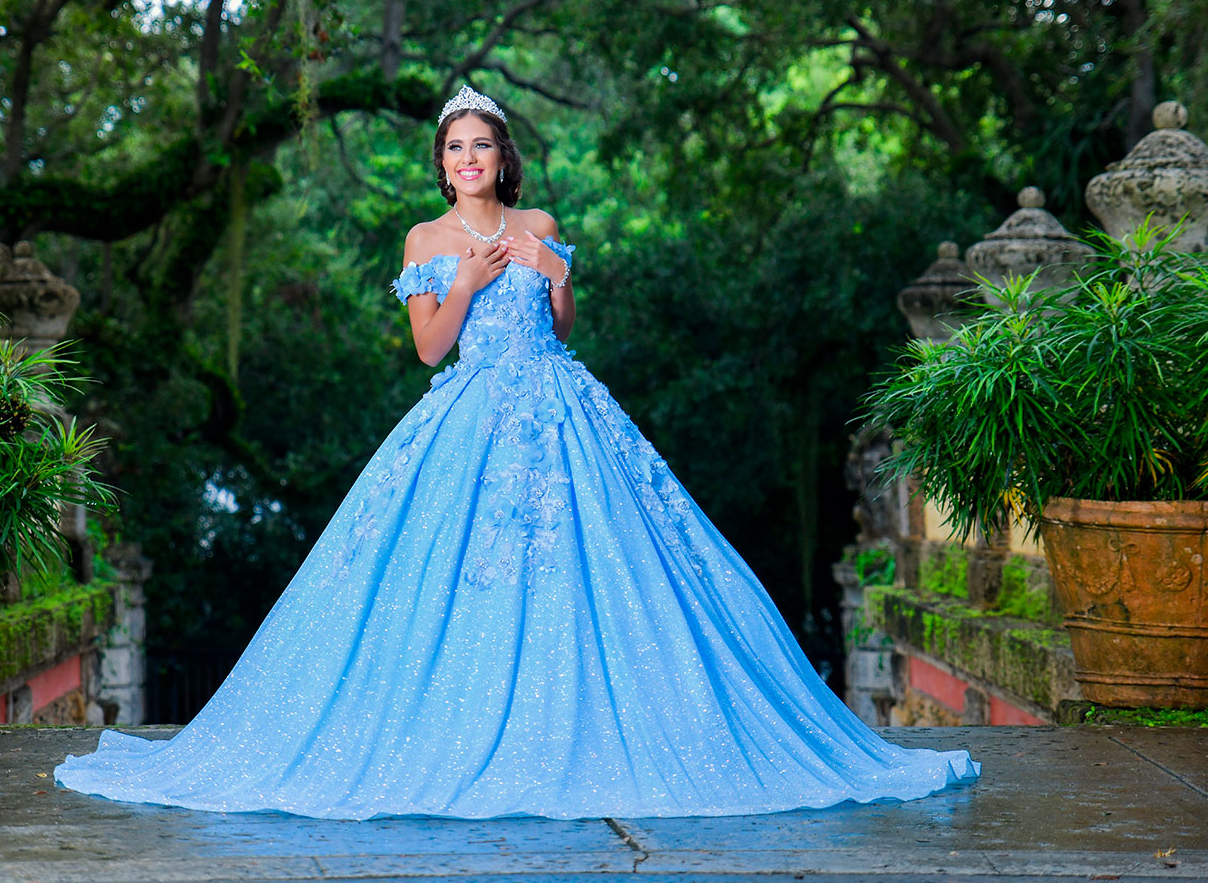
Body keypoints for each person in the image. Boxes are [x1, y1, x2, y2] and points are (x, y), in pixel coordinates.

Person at [54, 86, 979, 820]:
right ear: (442, 165)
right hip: (469, 412)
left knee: (607, 562)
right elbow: (428, 348)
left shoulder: (536, 225)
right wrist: (463, 279)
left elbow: (568, 324)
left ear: (504, 158)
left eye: (481, 146)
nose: (468, 160)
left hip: (562, 404)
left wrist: (557, 276)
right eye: (454, 148)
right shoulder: (425, 239)